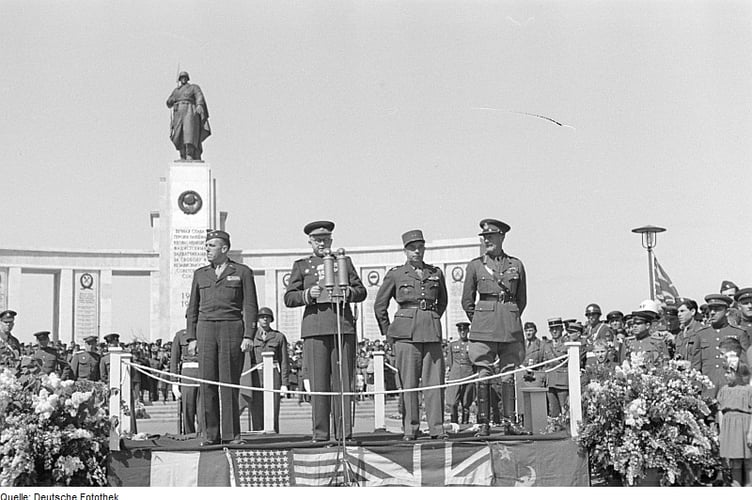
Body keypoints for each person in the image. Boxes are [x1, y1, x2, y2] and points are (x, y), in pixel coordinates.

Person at [284, 221, 366, 442]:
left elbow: (361, 291)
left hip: (341, 325)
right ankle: (321, 434)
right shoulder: (302, 266)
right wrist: (307, 294)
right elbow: (289, 298)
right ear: (310, 242)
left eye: (326, 239)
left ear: (331, 240)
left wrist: (348, 292)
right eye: (317, 240)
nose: (322, 243)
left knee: (343, 382)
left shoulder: (344, 262)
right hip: (315, 328)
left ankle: (344, 433)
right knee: (319, 384)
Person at [186, 229, 259, 446]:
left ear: (224, 248)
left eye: (212, 246)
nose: (207, 249)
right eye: (206, 246)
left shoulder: (242, 272)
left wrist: (248, 335)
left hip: (231, 328)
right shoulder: (200, 274)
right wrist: (192, 337)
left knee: (229, 382)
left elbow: (250, 305)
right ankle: (210, 434)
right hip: (206, 329)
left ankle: (231, 434)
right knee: (207, 383)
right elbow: (193, 308)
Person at [374, 229, 448, 440]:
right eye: (412, 248)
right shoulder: (396, 274)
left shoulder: (435, 273)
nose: (417, 251)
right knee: (409, 385)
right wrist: (388, 333)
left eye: (420, 247)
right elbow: (380, 305)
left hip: (431, 333)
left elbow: (442, 302)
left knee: (434, 384)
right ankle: (411, 429)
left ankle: (437, 428)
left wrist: (431, 318)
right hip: (405, 335)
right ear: (405, 251)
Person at [461, 218, 526, 437]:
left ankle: (509, 421)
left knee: (508, 373)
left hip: (509, 326)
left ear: (502, 237)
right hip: (483, 327)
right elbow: (467, 301)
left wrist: (509, 316)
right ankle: (483, 423)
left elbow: (521, 299)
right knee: (483, 373)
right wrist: (481, 319)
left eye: (491, 236)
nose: (487, 240)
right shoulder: (476, 265)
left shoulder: (516, 265)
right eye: (484, 237)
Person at [692, 294, 747, 400]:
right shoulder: (701, 335)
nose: (712, 313)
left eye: (717, 309)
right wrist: (697, 389)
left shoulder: (739, 333)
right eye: (711, 309)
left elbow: (745, 365)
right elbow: (696, 366)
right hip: (708, 391)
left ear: (727, 312)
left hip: (732, 390)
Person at [715, 339, 752, 486]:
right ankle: (736, 486)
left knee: (748, 460)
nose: (726, 375)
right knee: (735, 461)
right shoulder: (724, 391)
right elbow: (721, 412)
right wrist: (722, 431)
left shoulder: (748, 391)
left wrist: (751, 432)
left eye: (730, 372)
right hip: (731, 428)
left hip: (744, 426)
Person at [249, 307, 290, 433]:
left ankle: (273, 433)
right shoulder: (251, 337)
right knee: (256, 408)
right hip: (256, 375)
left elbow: (284, 361)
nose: (265, 319)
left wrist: (284, 383)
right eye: (262, 317)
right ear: (257, 319)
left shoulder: (278, 337)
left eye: (267, 317)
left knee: (273, 407)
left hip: (273, 375)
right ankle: (257, 433)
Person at [166, 71, 211, 160]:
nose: (183, 79)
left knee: (189, 133)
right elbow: (168, 103)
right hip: (178, 112)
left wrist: (199, 105)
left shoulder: (193, 87)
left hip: (189, 111)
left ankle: (189, 154)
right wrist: (171, 100)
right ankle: (182, 154)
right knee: (179, 134)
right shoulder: (176, 91)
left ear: (187, 78)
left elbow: (199, 96)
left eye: (185, 77)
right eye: (181, 77)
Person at [170, 328, 202, 435]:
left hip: (204, 373)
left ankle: (203, 435)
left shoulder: (206, 332)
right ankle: (189, 435)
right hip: (187, 374)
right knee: (188, 410)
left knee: (203, 411)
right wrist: (174, 383)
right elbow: (174, 360)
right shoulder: (180, 335)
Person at [445, 321, 475, 425]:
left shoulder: (472, 345)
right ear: (458, 331)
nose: (463, 332)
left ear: (468, 331)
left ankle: (465, 422)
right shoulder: (453, 345)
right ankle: (454, 422)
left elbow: (474, 361)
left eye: (465, 330)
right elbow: (450, 362)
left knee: (466, 402)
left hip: (468, 375)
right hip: (455, 376)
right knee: (453, 402)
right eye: (461, 330)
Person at [542, 318, 568, 417]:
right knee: (553, 410)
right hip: (550, 380)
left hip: (562, 380)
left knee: (565, 408)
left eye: (557, 328)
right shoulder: (546, 345)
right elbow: (544, 362)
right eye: (552, 329)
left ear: (562, 329)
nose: (554, 331)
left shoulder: (566, 343)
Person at [675, 298, 703, 363]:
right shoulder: (679, 335)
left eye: (682, 311)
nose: (679, 314)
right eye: (678, 312)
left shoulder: (701, 332)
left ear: (692, 311)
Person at [521, 321, 546, 386]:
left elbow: (545, 363)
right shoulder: (520, 345)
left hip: (535, 377)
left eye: (530, 331)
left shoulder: (541, 345)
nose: (528, 333)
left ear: (535, 331)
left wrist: (541, 375)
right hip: (522, 377)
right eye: (526, 331)